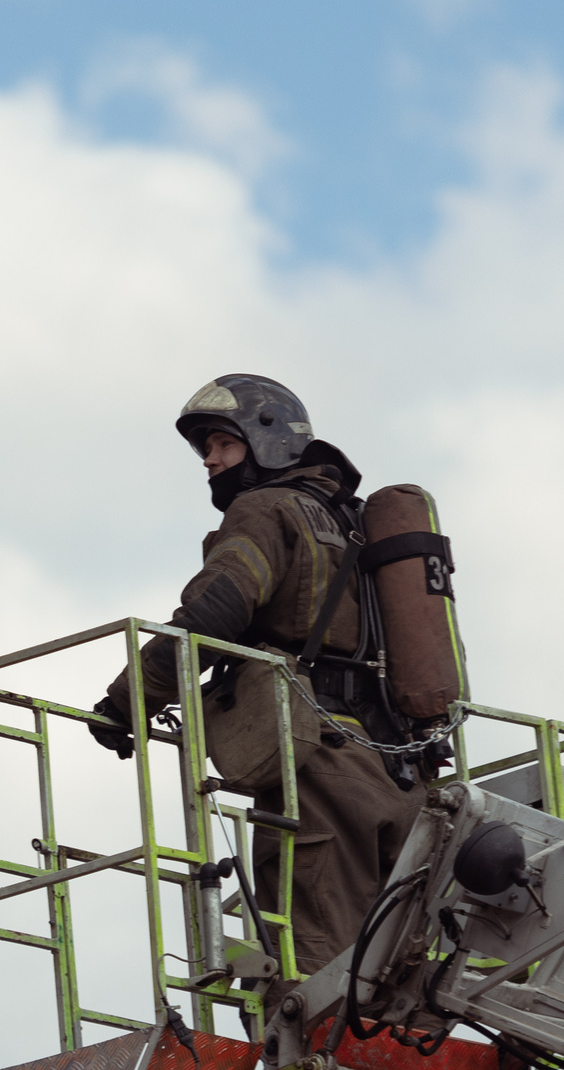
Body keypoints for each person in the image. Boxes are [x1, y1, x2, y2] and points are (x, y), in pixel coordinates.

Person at [86, 375, 428, 981]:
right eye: (204, 450)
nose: (210, 461)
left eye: (222, 443)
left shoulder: (267, 509)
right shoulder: (357, 527)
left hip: (320, 767)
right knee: (400, 969)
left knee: (313, 966)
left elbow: (214, 613)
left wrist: (125, 701)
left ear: (268, 438)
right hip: (404, 776)